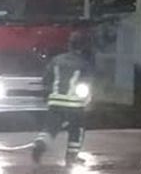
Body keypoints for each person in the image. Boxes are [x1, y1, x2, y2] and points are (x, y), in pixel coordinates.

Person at [34, 31, 95, 164]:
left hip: (55, 102)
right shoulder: (84, 64)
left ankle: (40, 144)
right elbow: (86, 85)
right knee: (76, 131)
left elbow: (46, 80)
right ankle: (71, 158)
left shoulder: (56, 60)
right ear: (83, 47)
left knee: (50, 129)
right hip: (75, 105)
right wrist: (86, 102)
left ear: (69, 45)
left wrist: (47, 97)